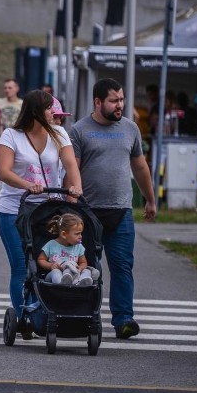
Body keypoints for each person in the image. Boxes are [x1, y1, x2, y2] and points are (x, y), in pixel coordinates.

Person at [69, 78, 157, 340]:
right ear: (98, 102)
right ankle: (87, 317)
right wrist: (72, 206)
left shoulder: (130, 129)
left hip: (121, 211)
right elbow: (72, 169)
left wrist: (150, 199)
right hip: (88, 213)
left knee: (122, 266)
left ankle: (123, 319)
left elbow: (140, 166)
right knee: (88, 268)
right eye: (114, 100)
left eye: (121, 99)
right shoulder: (79, 130)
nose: (120, 105)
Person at [0, 90, 82, 315]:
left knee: (43, 262)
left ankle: (43, 311)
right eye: (48, 108)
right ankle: (25, 314)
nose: (54, 113)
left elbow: (71, 165)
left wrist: (75, 188)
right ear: (36, 112)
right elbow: (3, 172)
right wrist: (27, 185)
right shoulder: (11, 135)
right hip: (14, 208)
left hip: (47, 209)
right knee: (21, 267)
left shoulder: (59, 133)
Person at [38, 213, 99, 286]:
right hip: (55, 275)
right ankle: (62, 283)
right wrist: (50, 265)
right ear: (64, 234)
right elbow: (41, 259)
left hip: (74, 274)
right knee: (55, 272)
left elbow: (83, 262)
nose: (80, 236)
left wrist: (80, 268)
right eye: (77, 234)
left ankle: (82, 282)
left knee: (87, 270)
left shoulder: (79, 247)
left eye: (81, 233)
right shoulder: (51, 245)